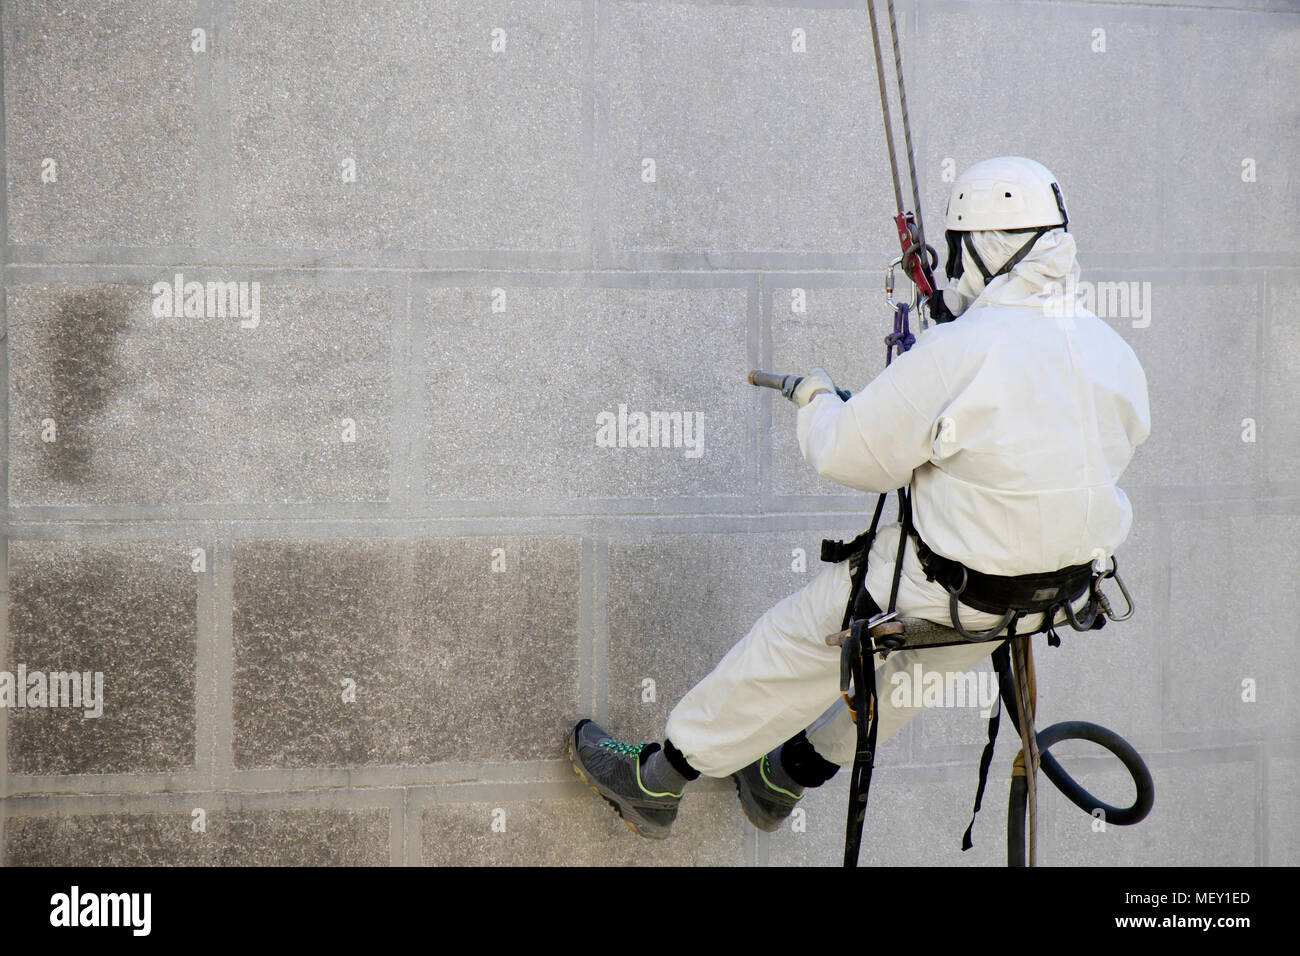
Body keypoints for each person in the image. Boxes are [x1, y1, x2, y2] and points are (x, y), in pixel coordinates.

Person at [570, 157, 1151, 840]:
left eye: (963, 247)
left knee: (791, 647)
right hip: (1051, 594)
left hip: (949, 583)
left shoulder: (962, 350)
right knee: (913, 677)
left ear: (986, 245)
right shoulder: (1111, 350)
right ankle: (785, 775)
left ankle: (656, 780)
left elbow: (851, 455)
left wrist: (816, 397)